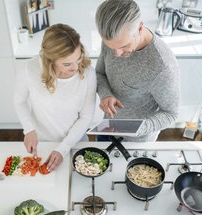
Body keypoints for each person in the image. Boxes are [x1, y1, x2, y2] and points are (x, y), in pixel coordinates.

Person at [13, 23, 96, 171]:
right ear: (50, 60)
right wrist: (29, 129)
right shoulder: (29, 69)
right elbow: (19, 101)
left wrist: (63, 148)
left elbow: (86, 116)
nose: (76, 67)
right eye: (67, 64)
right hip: (42, 144)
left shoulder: (88, 73)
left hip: (75, 144)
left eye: (78, 58)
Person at [95, 0, 180, 142]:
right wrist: (105, 95)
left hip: (137, 140)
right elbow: (99, 73)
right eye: (111, 46)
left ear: (140, 27)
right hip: (108, 126)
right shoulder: (112, 38)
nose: (116, 54)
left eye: (124, 46)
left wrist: (136, 128)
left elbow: (171, 114)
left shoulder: (163, 67)